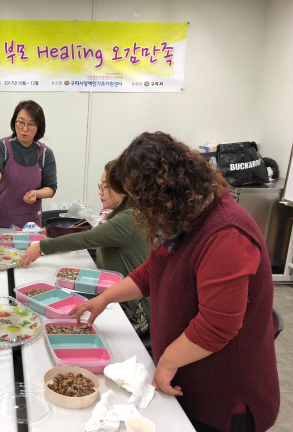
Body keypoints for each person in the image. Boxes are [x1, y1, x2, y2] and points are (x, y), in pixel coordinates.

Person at [71, 132, 279, 432]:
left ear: (164, 193)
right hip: (186, 377)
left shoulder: (226, 234)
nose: (138, 209)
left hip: (226, 399)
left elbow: (217, 325)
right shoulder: (181, 218)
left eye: (141, 201)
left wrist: (167, 361)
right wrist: (104, 298)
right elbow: (150, 273)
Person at [18, 160, 151, 338]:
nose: (100, 192)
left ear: (123, 190)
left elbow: (85, 239)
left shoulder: (128, 219)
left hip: (133, 313)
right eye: (100, 186)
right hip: (118, 299)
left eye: (105, 186)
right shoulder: (126, 212)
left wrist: (41, 247)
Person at [0, 100, 57, 228]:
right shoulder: (1, 146)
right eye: (21, 122)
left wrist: (36, 193)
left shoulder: (45, 153)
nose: (25, 129)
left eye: (31, 124)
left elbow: (51, 188)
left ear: (38, 127)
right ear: (14, 122)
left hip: (30, 225)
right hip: (0, 221)